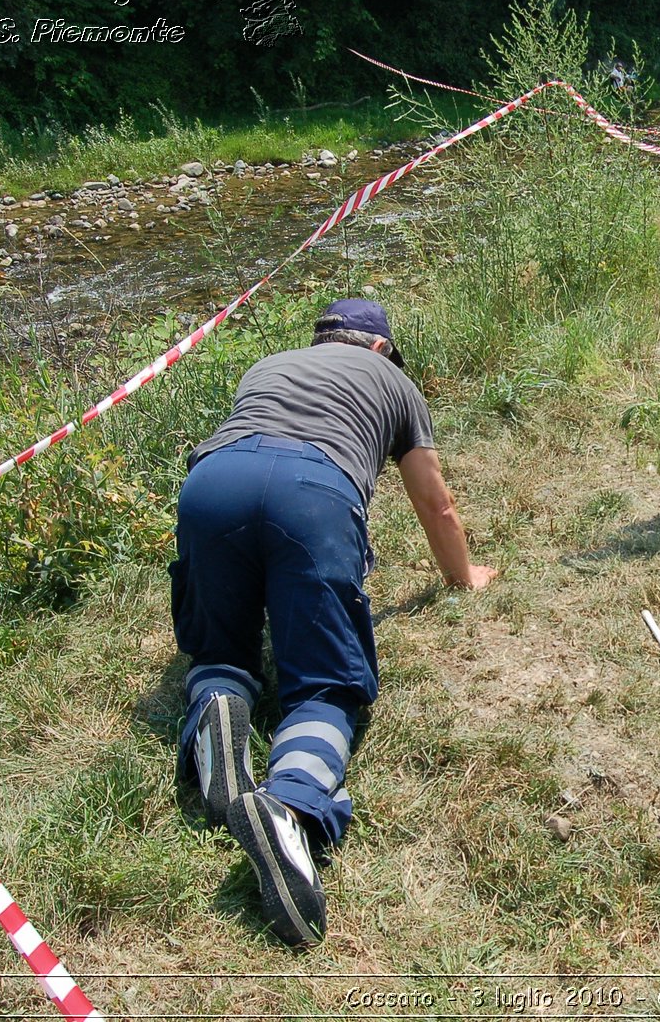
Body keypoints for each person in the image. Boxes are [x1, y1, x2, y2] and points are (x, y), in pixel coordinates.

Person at [169, 297, 496, 947]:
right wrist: (465, 577)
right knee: (325, 685)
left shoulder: (269, 364)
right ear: (379, 348)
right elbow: (437, 502)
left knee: (222, 649)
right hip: (313, 493)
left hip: (213, 481)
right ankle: (290, 804)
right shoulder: (395, 382)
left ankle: (219, 708)